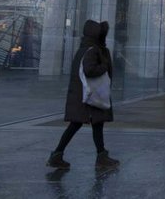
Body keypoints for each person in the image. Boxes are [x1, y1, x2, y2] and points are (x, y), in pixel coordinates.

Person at [47, 19, 119, 170]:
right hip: (90, 96)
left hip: (83, 95)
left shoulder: (83, 49)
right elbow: (89, 70)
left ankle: (59, 155)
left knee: (85, 124)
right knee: (86, 124)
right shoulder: (93, 50)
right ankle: (99, 157)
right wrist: (104, 65)